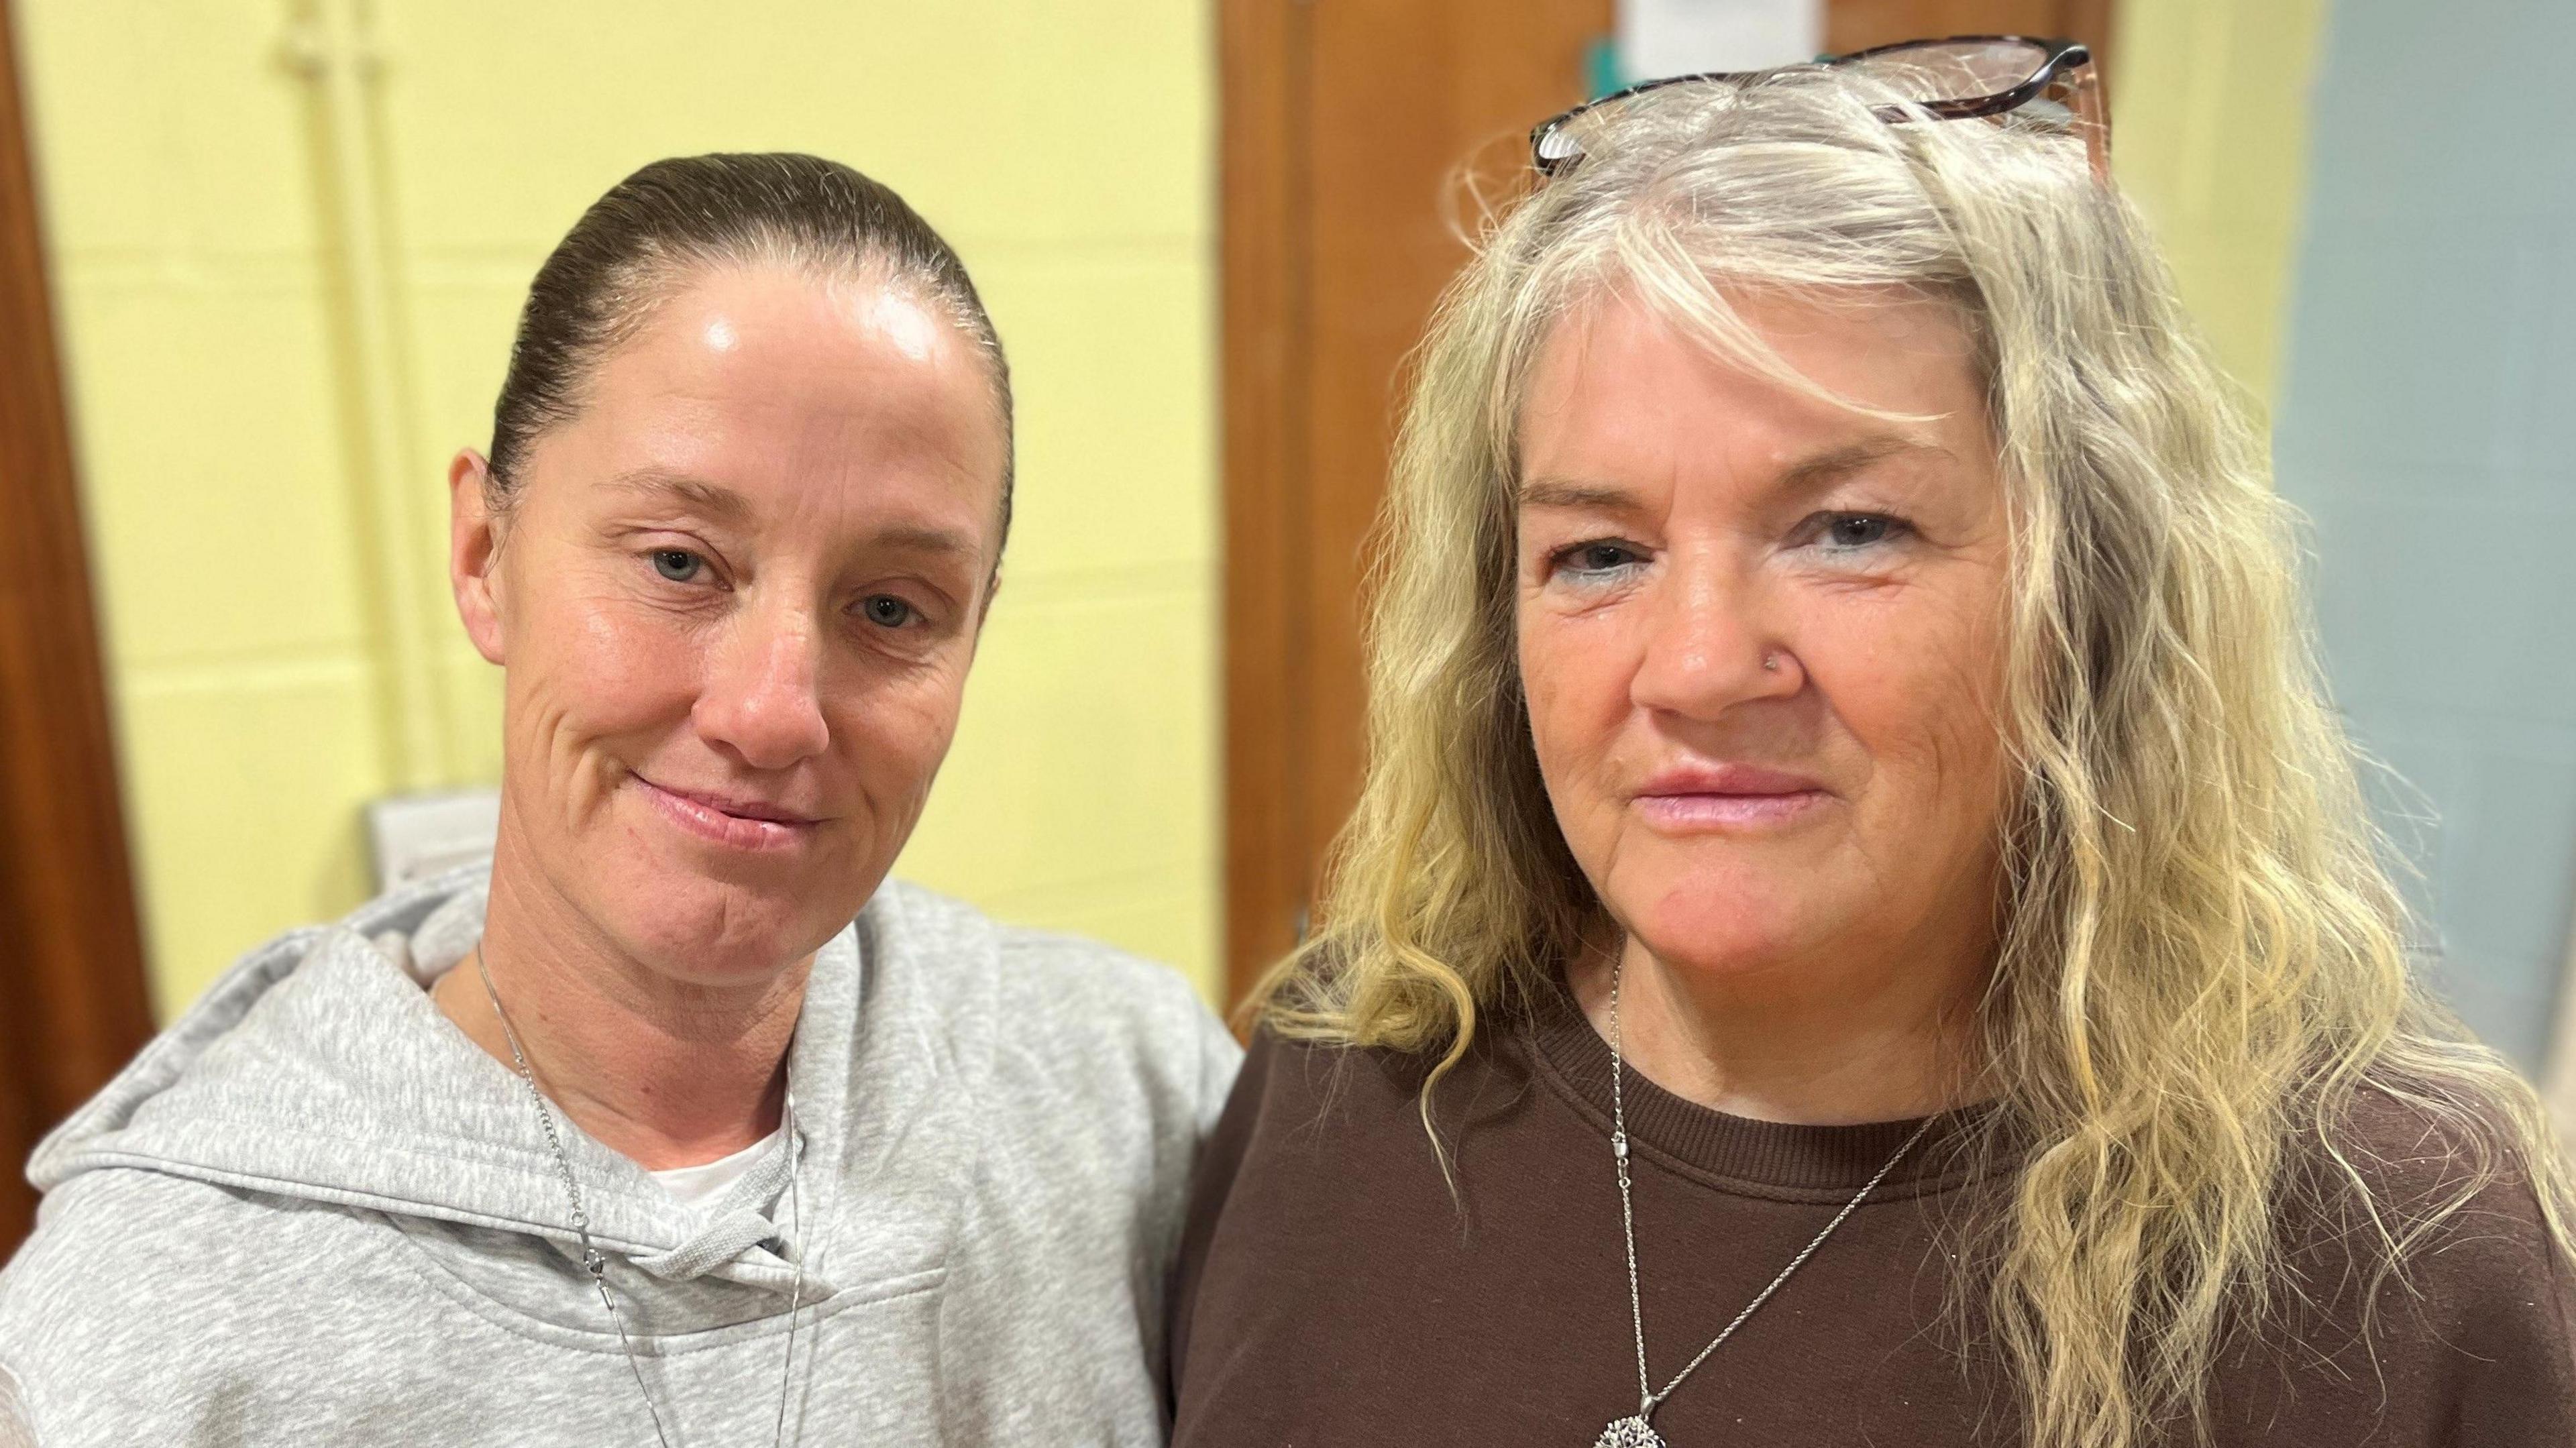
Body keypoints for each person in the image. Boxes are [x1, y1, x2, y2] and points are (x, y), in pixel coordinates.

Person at [1167, 38, 2576, 1448]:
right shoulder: (1348, 1080)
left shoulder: (2401, 1265)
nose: (1700, 668)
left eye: (1850, 531)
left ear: (2090, 591)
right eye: (1601, 552)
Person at [0, 152, 1238, 1447]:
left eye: (890, 608)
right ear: (486, 556)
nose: (771, 711)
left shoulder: (1135, 1103)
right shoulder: (148, 1343)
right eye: (679, 564)